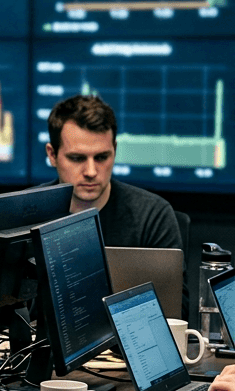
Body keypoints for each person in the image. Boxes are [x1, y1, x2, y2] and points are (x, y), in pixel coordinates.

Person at [43, 94, 186, 312]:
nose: (91, 172)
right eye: (77, 158)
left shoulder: (152, 216)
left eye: (101, 157)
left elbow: (176, 315)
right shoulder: (25, 216)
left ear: (115, 150)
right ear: (52, 155)